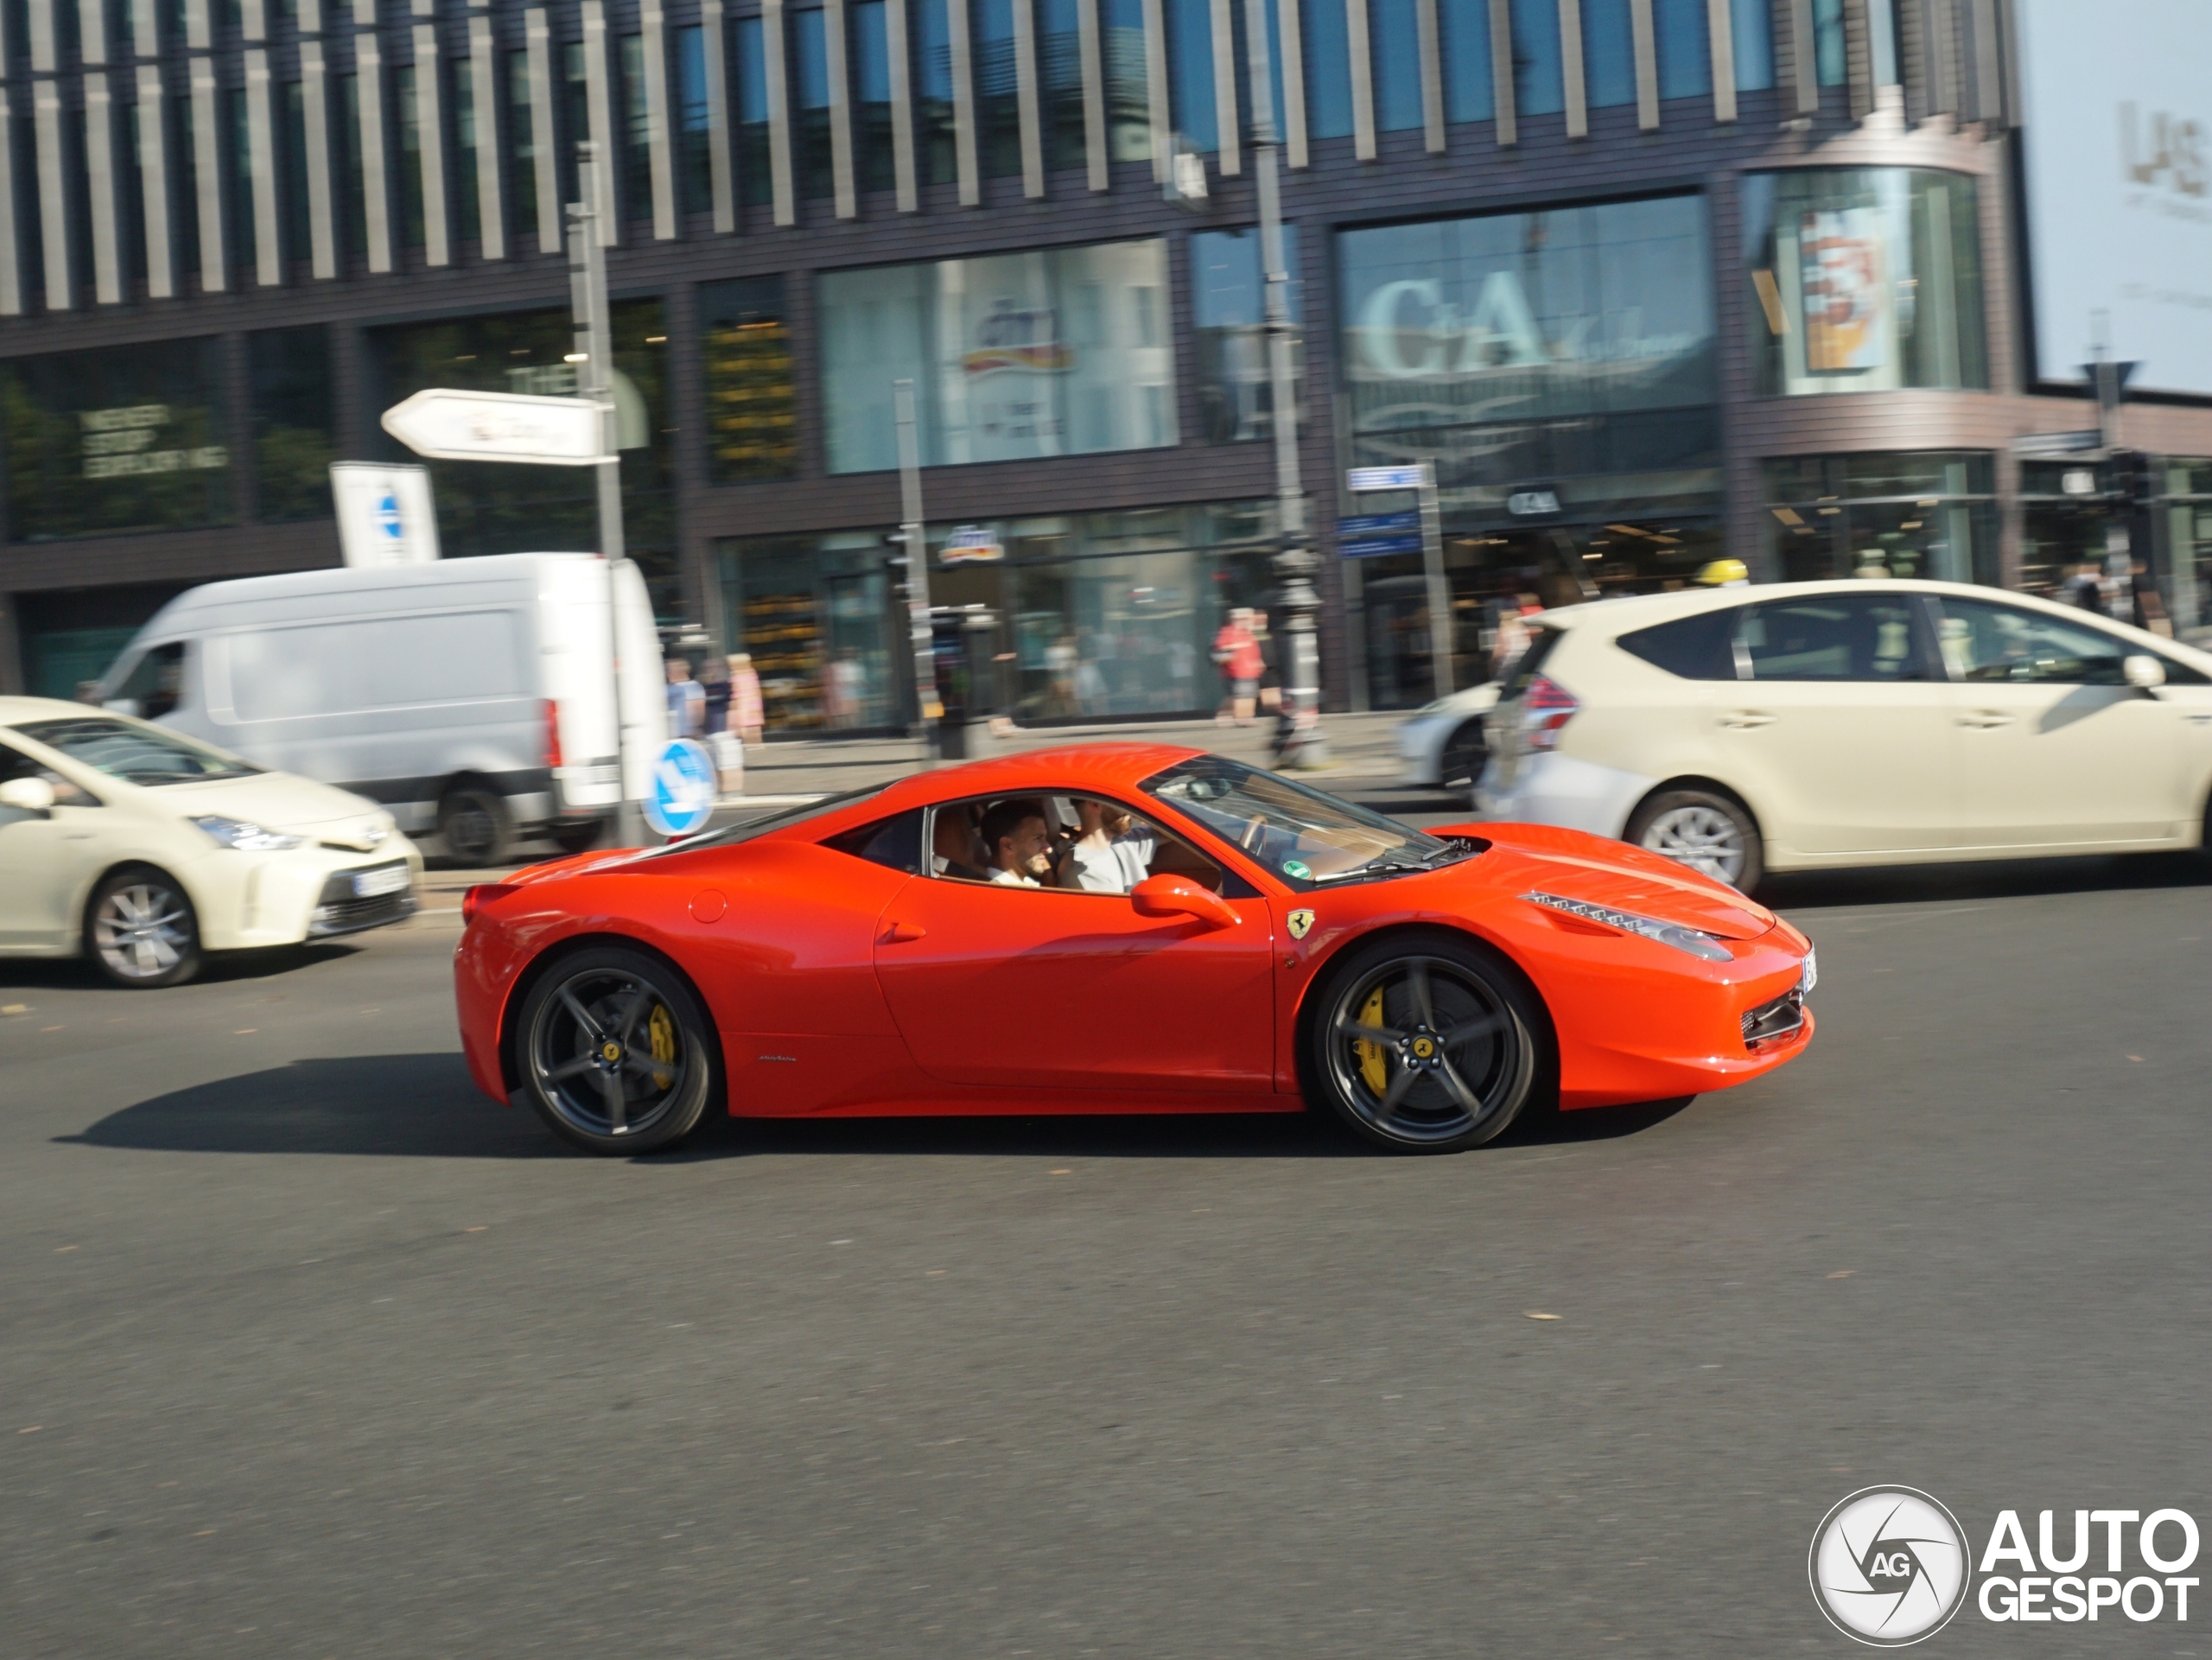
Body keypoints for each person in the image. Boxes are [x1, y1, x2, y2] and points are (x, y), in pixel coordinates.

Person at [1058, 798, 1158, 894]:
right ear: (1095, 804)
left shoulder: (1122, 841)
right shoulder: (1084, 867)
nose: (1129, 808)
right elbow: (1115, 910)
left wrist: (1146, 811)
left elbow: (1170, 824)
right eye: (1121, 802)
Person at [979, 798, 1052, 887]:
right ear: (1008, 846)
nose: (1048, 849)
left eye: (1044, 838)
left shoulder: (1023, 885)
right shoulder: (998, 895)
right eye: (1037, 838)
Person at [1212, 608, 1262, 726]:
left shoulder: (1247, 632)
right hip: (1236, 669)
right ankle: (1242, 718)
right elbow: (1221, 647)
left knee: (1249, 694)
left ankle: (1246, 717)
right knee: (1240, 695)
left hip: (1249, 669)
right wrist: (1239, 646)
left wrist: (1258, 662)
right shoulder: (1228, 631)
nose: (1249, 621)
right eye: (1245, 618)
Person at [727, 652, 764, 747]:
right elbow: (756, 688)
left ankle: (748, 743)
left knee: (744, 724)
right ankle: (757, 743)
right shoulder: (751, 672)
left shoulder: (735, 675)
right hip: (753, 699)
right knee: (755, 723)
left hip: (742, 701)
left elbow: (734, 689)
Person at [664, 658, 705, 740]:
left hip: (686, 734)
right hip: (668, 734)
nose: (667, 672)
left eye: (668, 669)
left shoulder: (692, 686)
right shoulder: (666, 688)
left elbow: (697, 709)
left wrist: (694, 729)